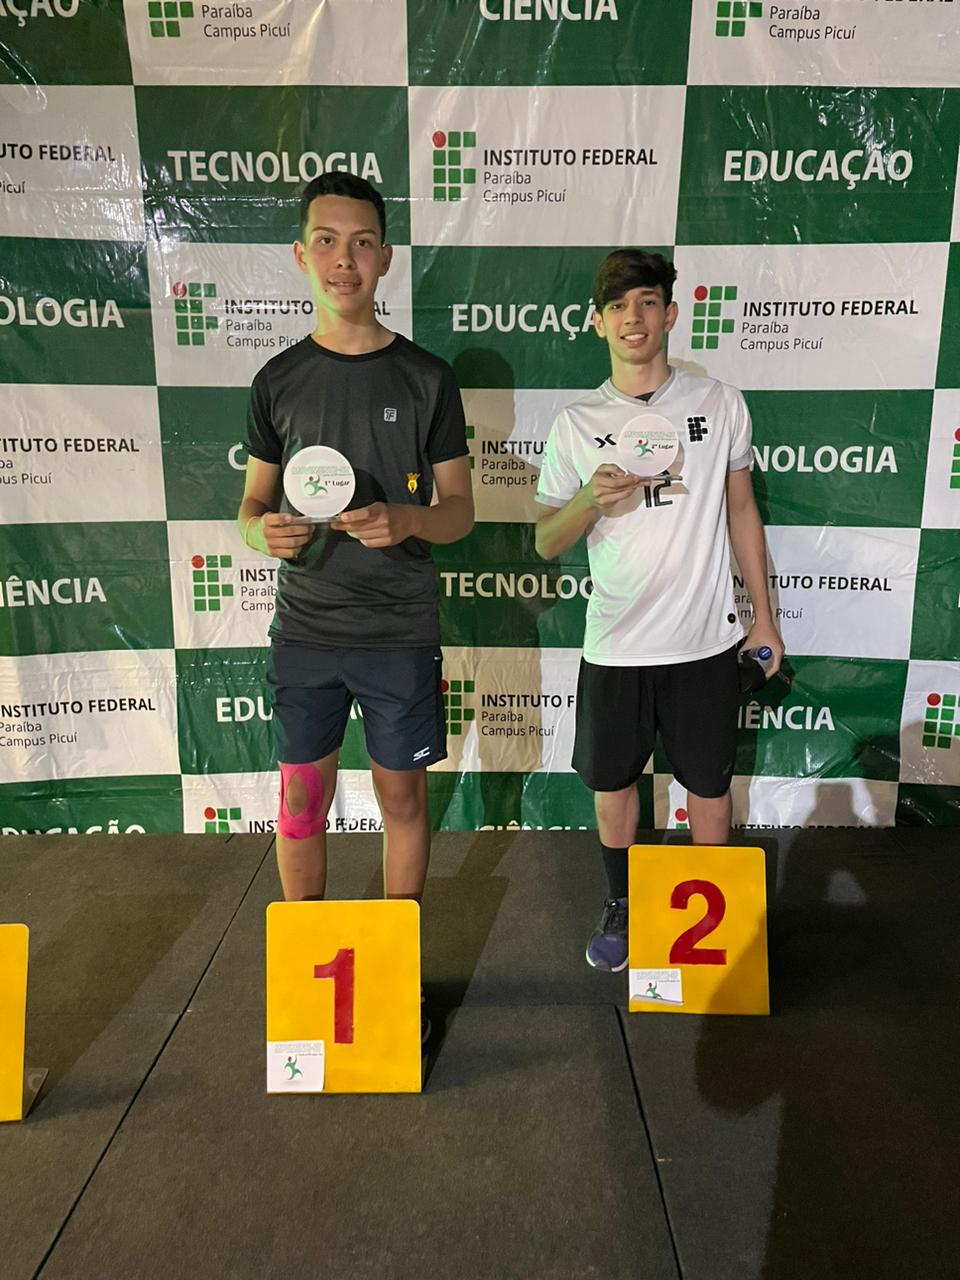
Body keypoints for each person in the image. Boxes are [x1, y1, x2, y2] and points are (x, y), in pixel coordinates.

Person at [237, 174, 474, 953]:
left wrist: (408, 519)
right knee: (302, 804)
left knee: (401, 802)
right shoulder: (276, 380)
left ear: (386, 257)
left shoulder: (428, 378)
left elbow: (460, 511)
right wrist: (259, 533)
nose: (346, 260)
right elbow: (252, 504)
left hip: (398, 633)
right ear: (301, 255)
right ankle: (312, 970)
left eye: (363, 243)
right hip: (306, 634)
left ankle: (395, 969)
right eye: (328, 242)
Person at [534, 249, 783, 972]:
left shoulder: (720, 403)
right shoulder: (576, 423)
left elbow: (742, 511)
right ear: (597, 323)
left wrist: (765, 619)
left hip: (705, 642)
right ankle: (621, 902)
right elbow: (547, 541)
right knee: (613, 788)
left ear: (670, 314)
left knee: (709, 787)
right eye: (617, 306)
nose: (632, 318)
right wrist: (589, 498)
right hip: (616, 646)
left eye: (647, 302)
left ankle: (713, 918)